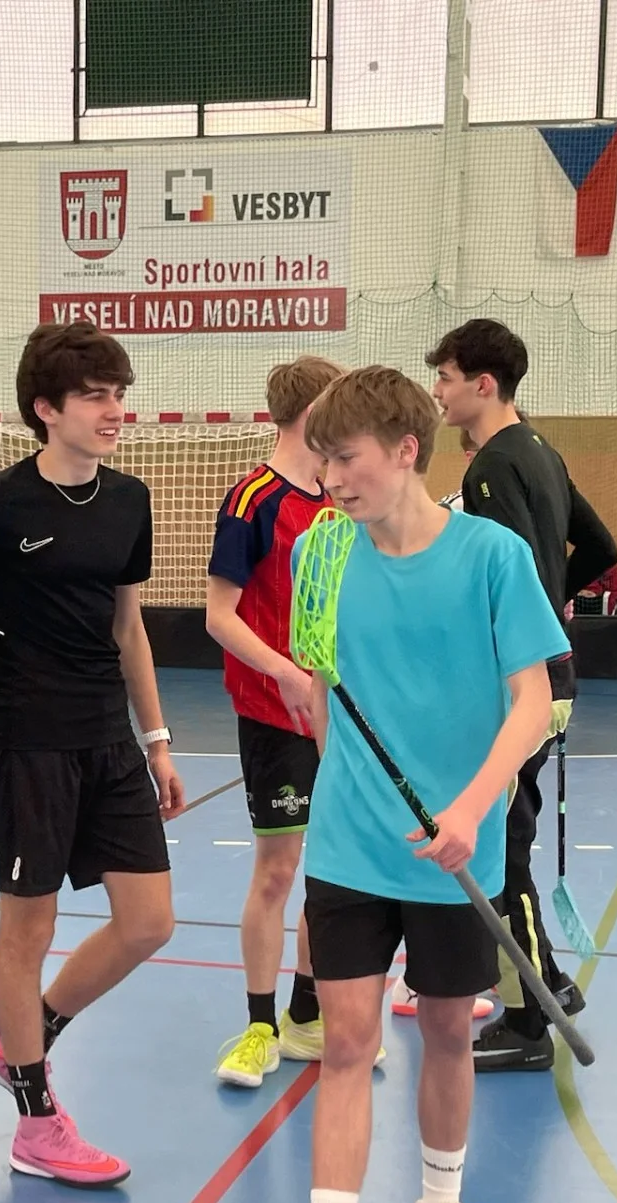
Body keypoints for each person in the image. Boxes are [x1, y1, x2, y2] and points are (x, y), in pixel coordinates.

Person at [226, 366, 569, 1203]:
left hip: (457, 846)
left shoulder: (493, 556)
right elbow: (321, 692)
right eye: (322, 460)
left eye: (347, 459)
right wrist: (345, 777)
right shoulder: (321, 554)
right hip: (348, 845)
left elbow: (535, 700)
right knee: (345, 1044)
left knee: (450, 1032)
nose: (330, 478)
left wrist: (471, 808)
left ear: (407, 450)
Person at [0, 322, 184, 1188]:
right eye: (95, 396)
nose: (115, 410)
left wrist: (158, 741)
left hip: (110, 739)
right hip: (30, 742)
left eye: (119, 395)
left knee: (149, 921)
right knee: (30, 929)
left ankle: (27, 1035)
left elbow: (129, 628)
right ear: (46, 409)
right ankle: (35, 1119)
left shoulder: (129, 501)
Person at [425, 318, 617, 1070]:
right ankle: (551, 983)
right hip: (553, 675)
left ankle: (529, 1020)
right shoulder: (541, 450)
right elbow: (600, 547)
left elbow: (499, 578)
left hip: (519, 684)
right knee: (510, 839)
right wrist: (553, 602)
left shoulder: (491, 468)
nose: (438, 392)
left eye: (445, 378)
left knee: (502, 853)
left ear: (483, 384)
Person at [204, 355, 342, 1086]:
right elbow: (218, 616)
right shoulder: (252, 500)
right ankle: (260, 1026)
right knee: (279, 870)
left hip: (338, 717)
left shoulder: (339, 499)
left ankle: (307, 1016)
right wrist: (286, 672)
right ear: (313, 414)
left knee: (330, 870)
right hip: (274, 713)